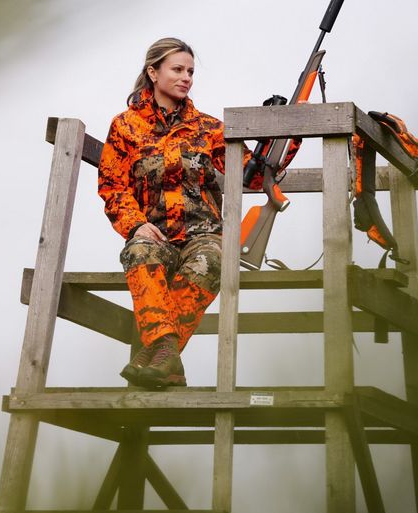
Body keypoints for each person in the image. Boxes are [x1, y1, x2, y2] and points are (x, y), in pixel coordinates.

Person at [97, 37, 297, 388]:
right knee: (138, 253)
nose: (186, 77)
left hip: (204, 233)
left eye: (190, 71)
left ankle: (157, 353)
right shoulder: (125, 127)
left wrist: (289, 134)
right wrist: (136, 225)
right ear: (153, 72)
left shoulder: (209, 128)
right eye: (177, 69)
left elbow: (254, 174)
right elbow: (113, 187)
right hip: (154, 232)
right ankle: (167, 359)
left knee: (212, 260)